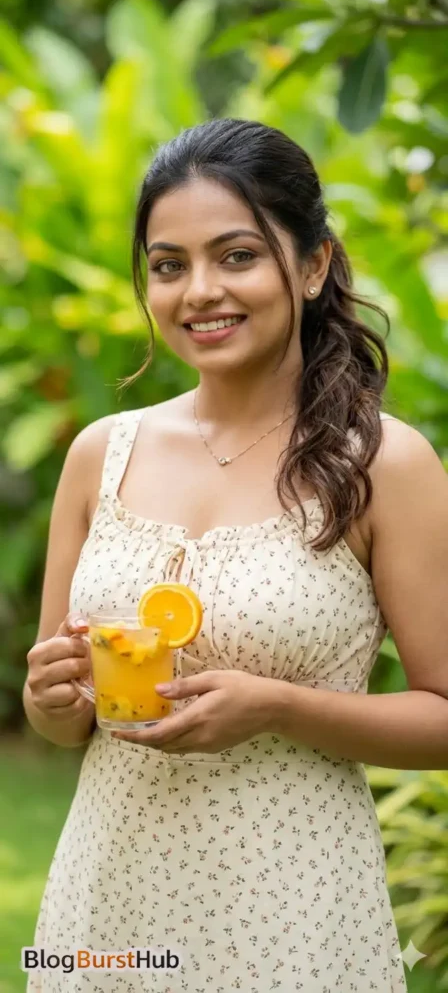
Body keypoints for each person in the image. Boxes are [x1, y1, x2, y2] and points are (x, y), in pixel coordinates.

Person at [24, 118, 448, 992]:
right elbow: (64, 726)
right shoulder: (101, 453)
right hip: (109, 905)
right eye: (169, 265)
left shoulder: (381, 462)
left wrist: (279, 709)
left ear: (313, 264)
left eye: (238, 255)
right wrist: (50, 695)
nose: (199, 291)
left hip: (291, 913)